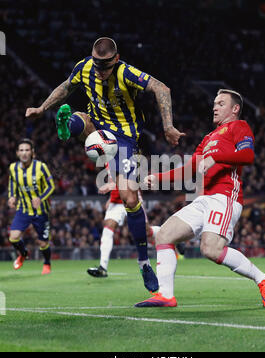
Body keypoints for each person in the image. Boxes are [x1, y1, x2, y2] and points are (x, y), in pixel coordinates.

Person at [25, 37, 185, 292]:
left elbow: (161, 88)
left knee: (130, 199)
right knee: (78, 117)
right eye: (96, 67)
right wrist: (42, 108)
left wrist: (168, 126)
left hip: (123, 138)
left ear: (116, 60)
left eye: (105, 68)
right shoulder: (84, 67)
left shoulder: (126, 72)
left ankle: (144, 263)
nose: (99, 73)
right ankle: (70, 126)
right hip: (98, 127)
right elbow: (67, 86)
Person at [135, 89, 265, 308]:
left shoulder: (239, 126)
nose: (215, 107)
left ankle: (264, 279)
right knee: (164, 234)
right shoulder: (209, 138)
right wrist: (159, 178)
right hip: (203, 199)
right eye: (214, 103)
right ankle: (166, 295)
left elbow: (248, 156)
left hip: (225, 196)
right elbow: (191, 168)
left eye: (221, 103)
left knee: (210, 249)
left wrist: (216, 158)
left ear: (235, 109)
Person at [87, 181, 160, 278]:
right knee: (108, 228)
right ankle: (102, 268)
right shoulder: (107, 165)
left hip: (131, 198)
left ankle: (172, 235)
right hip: (116, 201)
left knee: (147, 232)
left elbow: (129, 174)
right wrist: (110, 197)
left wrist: (111, 185)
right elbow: (113, 177)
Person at [7, 139, 55, 275]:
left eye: (27, 150)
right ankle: (23, 254)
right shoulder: (13, 168)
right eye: (21, 150)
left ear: (32, 153)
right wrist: (12, 196)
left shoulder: (41, 167)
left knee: (42, 243)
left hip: (41, 210)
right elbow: (12, 184)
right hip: (23, 209)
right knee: (13, 237)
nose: (24, 153)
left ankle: (47, 263)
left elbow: (51, 186)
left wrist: (41, 198)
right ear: (17, 153)